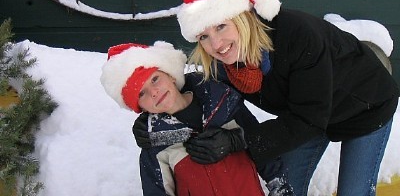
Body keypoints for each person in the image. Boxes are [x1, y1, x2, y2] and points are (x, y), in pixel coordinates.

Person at [175, 0, 400, 196]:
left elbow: (309, 119)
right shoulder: (222, 64)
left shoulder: (299, 37)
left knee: (354, 192)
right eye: (203, 36)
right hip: (306, 113)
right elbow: (193, 94)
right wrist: (152, 121)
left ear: (243, 18)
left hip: (364, 104)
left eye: (221, 26)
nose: (216, 44)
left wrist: (237, 140)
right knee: (286, 187)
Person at [100, 41, 293, 196]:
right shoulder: (155, 148)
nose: (154, 92)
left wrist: (280, 187)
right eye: (141, 93)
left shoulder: (225, 104)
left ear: (171, 75)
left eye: (155, 79)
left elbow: (261, 146)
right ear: (139, 107)